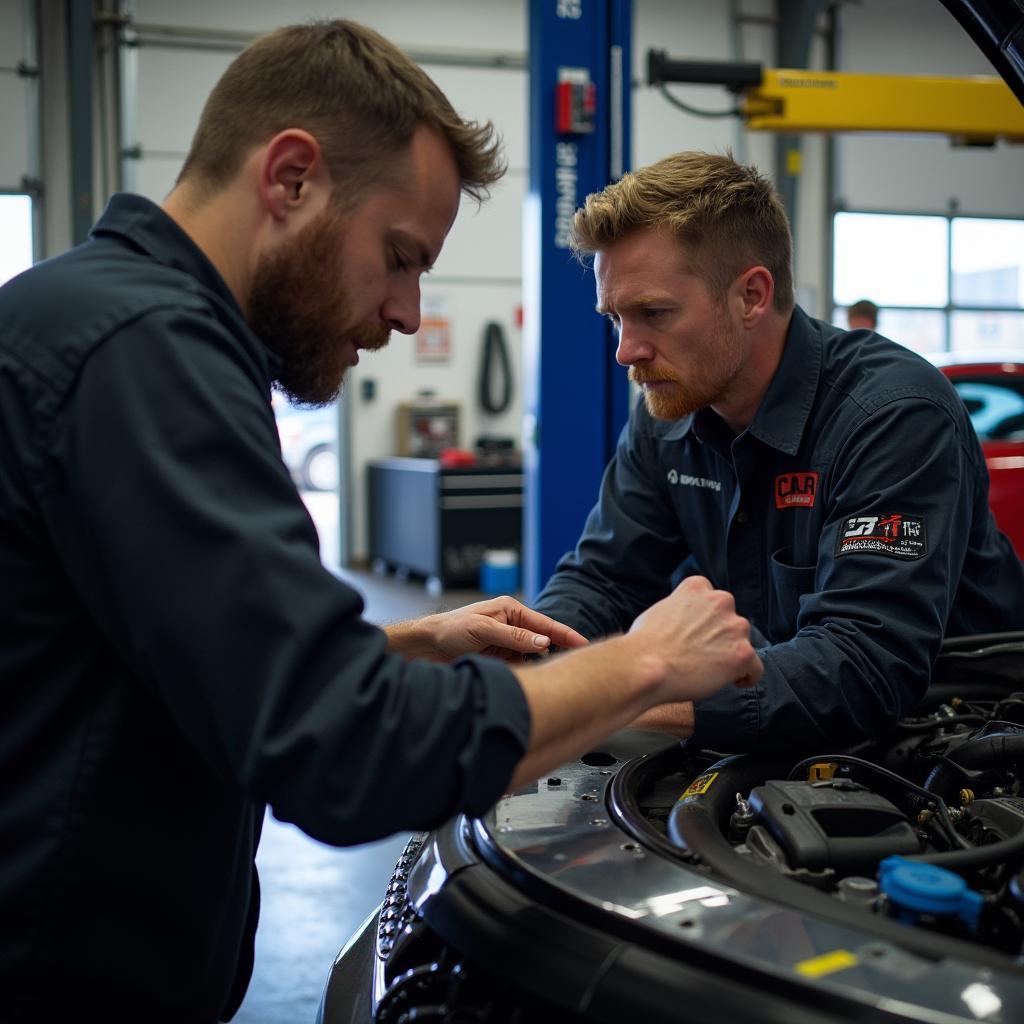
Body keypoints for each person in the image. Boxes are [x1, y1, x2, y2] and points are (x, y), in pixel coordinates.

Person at [0, 22, 763, 1024]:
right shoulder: (145, 351)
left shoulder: (90, 317)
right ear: (290, 178)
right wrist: (644, 663)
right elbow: (346, 751)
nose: (408, 312)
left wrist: (402, 641)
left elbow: (149, 653)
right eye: (398, 257)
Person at [533, 150, 1024, 754]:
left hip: (950, 747)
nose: (626, 350)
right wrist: (532, 662)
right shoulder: (669, 414)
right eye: (616, 319)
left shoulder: (893, 416)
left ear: (752, 296)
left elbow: (861, 664)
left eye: (654, 314)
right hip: (781, 729)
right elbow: (605, 579)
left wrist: (613, 691)